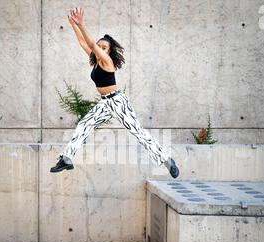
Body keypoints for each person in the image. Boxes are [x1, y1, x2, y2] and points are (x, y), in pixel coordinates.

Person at [50, 7, 179, 178]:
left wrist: (82, 25)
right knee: (84, 124)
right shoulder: (95, 60)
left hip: (118, 102)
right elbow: (84, 43)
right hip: (105, 103)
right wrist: (73, 25)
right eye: (100, 46)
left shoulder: (107, 61)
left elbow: (90, 44)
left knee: (137, 132)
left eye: (104, 47)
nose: (101, 49)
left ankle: (166, 160)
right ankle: (66, 159)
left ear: (108, 51)